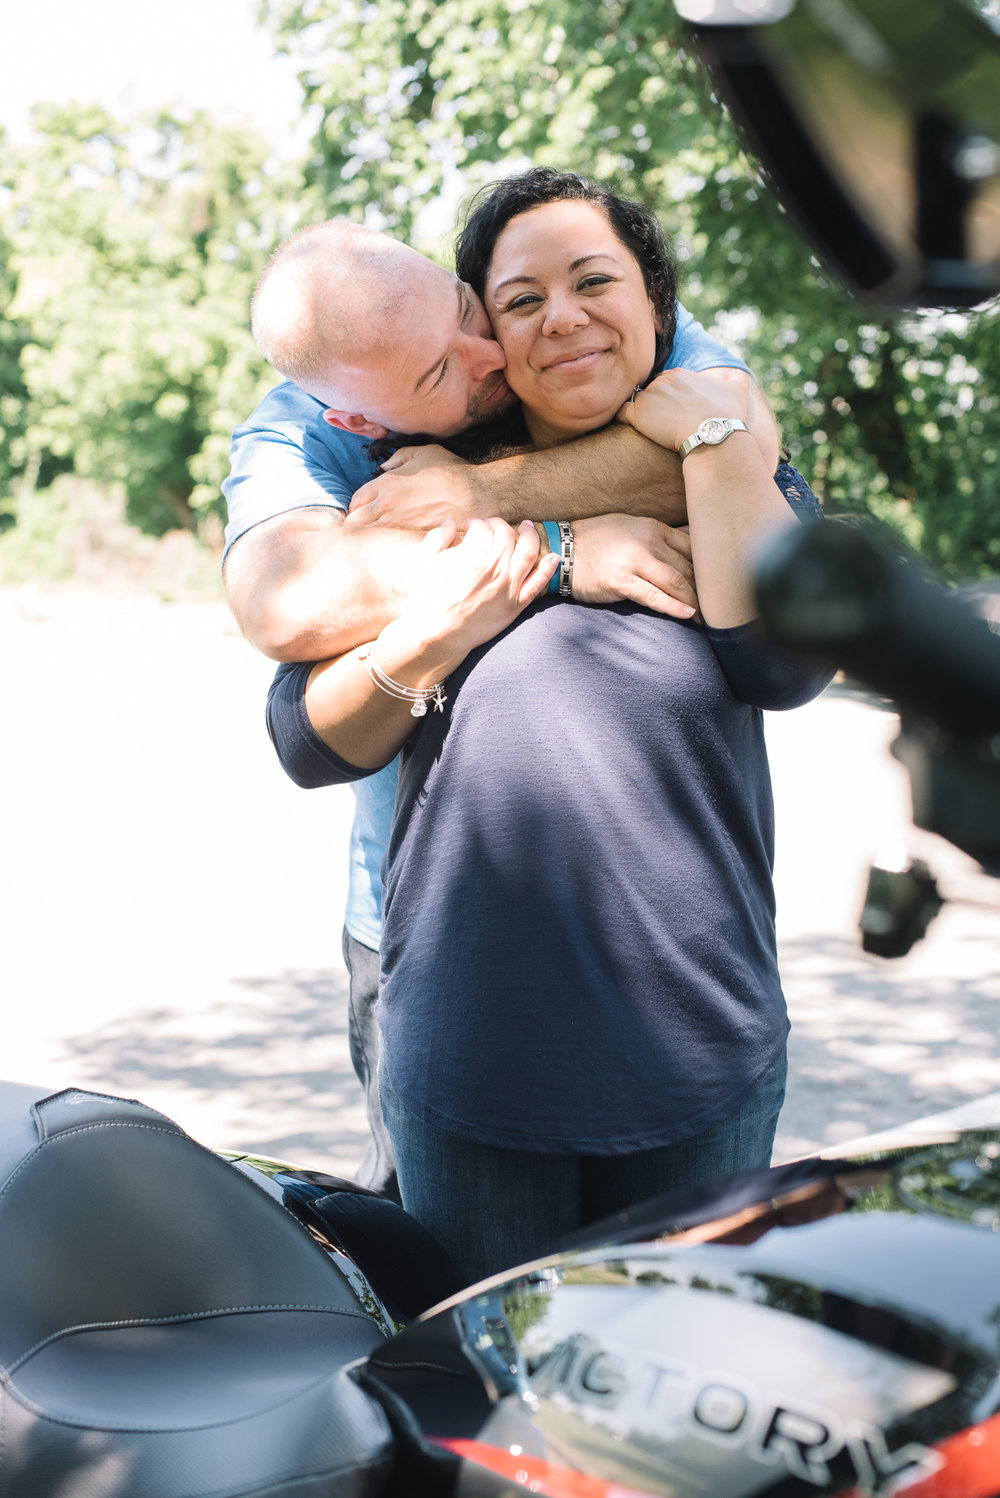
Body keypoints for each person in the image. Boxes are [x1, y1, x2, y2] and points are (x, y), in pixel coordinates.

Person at [264, 168, 834, 1284]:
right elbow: (303, 737)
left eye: (592, 281)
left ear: (657, 309)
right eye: (519, 299)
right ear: (486, 338)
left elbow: (778, 663)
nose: (560, 314)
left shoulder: (724, 460)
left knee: (669, 1398)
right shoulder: (416, 485)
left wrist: (716, 441)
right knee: (486, 1412)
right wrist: (518, 579)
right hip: (469, 1060)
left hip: (696, 1046)